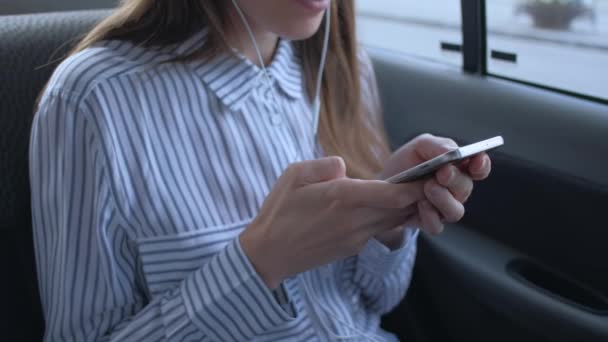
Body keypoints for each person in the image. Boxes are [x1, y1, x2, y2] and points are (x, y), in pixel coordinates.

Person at [29, 0, 491, 341]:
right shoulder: (93, 100)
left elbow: (380, 301)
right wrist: (259, 264)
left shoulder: (341, 69)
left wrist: (388, 221)